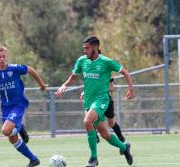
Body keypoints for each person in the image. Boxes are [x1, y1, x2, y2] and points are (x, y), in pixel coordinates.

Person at [56, 36, 135, 167]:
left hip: (102, 100)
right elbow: (74, 76)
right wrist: (64, 85)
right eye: (84, 48)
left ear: (95, 47)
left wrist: (131, 89)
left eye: (87, 48)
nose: (84, 51)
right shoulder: (82, 61)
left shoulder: (106, 61)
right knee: (104, 134)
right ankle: (124, 147)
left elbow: (126, 72)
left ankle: (93, 158)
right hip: (88, 101)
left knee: (87, 121)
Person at [0, 46, 47, 167]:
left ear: (7, 56)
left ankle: (19, 127)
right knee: (12, 138)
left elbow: (30, 70)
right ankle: (33, 159)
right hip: (5, 107)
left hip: (18, 104)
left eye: (4, 56)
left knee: (5, 130)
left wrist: (41, 84)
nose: (2, 59)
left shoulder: (14, 68)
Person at [80, 78, 126, 151]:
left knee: (111, 123)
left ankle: (122, 140)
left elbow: (111, 88)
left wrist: (98, 90)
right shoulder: (90, 73)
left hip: (106, 101)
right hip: (95, 102)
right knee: (91, 118)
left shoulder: (105, 72)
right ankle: (95, 138)